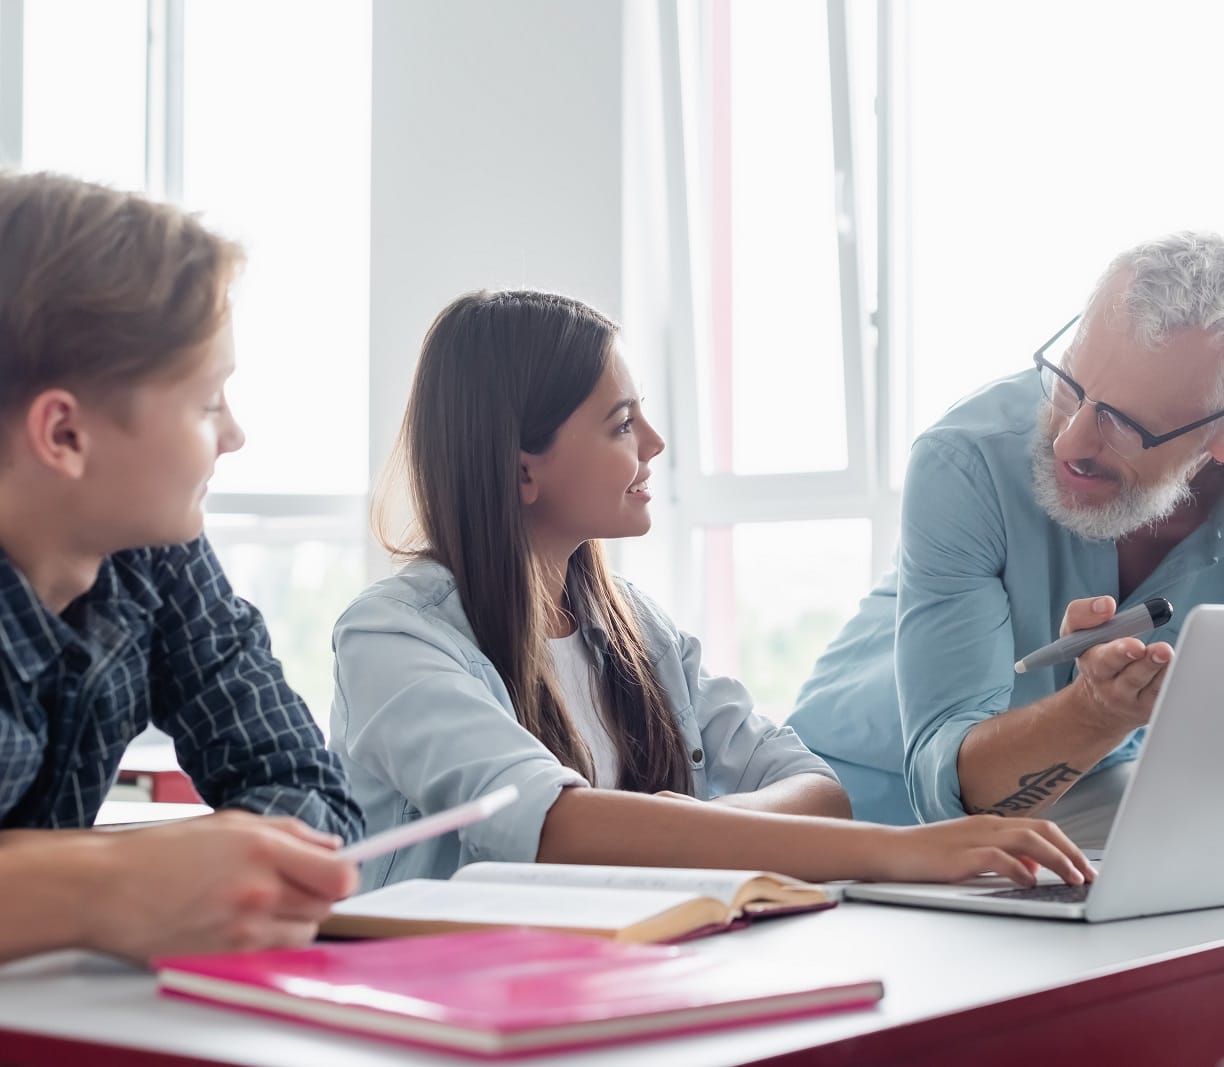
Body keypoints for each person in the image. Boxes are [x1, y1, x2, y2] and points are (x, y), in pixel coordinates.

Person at [331, 289, 1093, 891]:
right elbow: (551, 824)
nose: (655, 444)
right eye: (622, 423)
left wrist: (690, 827)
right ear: (522, 467)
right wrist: (899, 852)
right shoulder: (393, 640)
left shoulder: (639, 631)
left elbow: (815, 788)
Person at [786, 232, 1224, 843]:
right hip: (856, 801)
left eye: (1126, 424)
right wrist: (1094, 713)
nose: (1070, 442)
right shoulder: (967, 461)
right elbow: (944, 799)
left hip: (1070, 808)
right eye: (1069, 384)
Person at [0, 170, 361, 963]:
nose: (234, 435)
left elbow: (307, 784)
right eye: (207, 402)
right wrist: (111, 885)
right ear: (64, 435)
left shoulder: (154, 551)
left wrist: (246, 869)